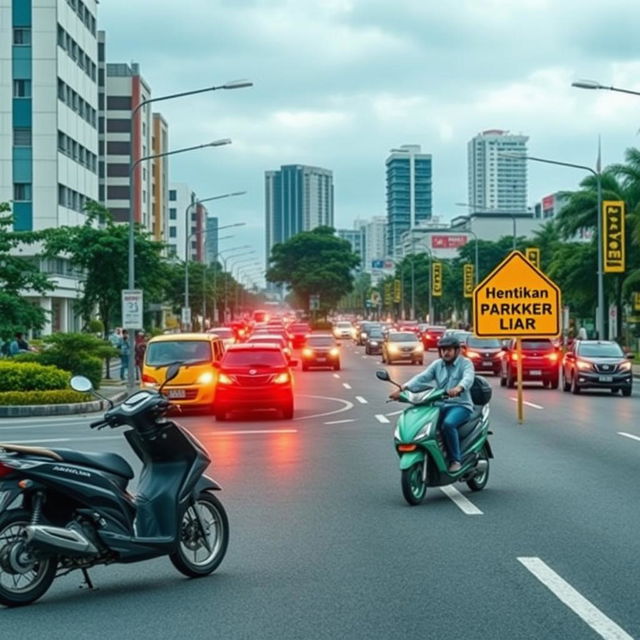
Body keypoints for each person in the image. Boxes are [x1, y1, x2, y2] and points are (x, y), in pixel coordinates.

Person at [389, 335, 475, 473]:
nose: (445, 353)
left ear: (457, 351)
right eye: (443, 350)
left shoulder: (465, 363)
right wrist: (402, 389)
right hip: (440, 404)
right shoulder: (437, 365)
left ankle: (455, 460)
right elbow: (422, 378)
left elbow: (468, 378)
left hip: (460, 405)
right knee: (425, 423)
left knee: (448, 424)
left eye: (449, 350)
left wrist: (459, 388)